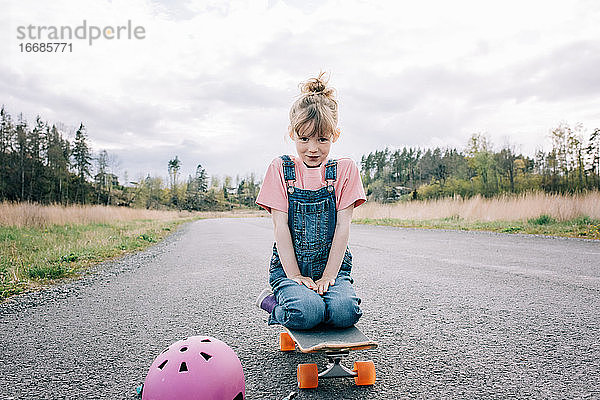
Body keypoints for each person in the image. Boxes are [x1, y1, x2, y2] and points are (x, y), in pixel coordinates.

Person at [254, 71, 367, 330]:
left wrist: (329, 276)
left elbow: (342, 227)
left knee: (345, 313)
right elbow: (280, 227)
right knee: (306, 312)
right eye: (304, 139)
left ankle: (322, 305)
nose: (312, 148)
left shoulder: (345, 170)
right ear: (292, 134)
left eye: (322, 139)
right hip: (290, 268)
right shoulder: (281, 169)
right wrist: (294, 275)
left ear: (335, 136)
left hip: (332, 268)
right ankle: (275, 304)